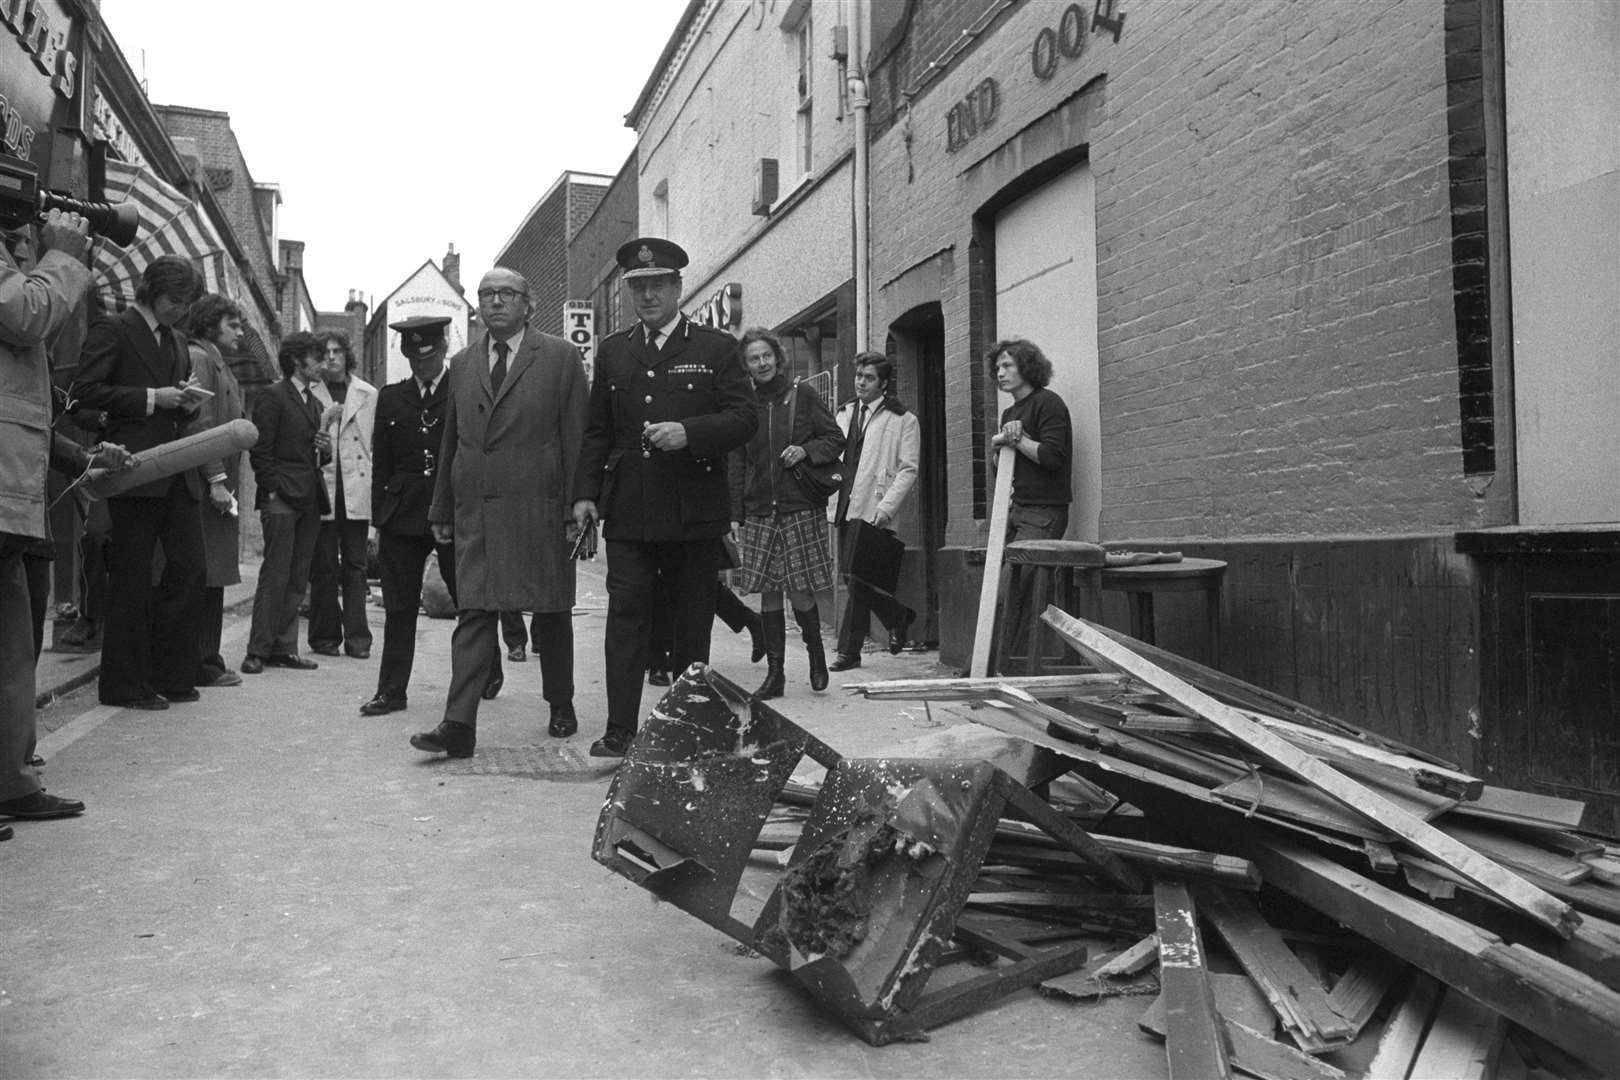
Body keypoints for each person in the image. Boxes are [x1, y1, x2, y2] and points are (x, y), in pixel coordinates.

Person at [571, 237, 757, 758]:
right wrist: (585, 495)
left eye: (657, 285)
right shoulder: (613, 351)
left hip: (693, 509)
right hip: (629, 508)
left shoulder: (715, 348)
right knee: (626, 615)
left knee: (690, 621)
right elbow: (597, 433)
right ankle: (619, 729)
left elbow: (745, 419)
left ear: (678, 288)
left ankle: (685, 730)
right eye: (638, 287)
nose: (648, 295)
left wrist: (690, 432)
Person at [409, 269, 587, 758]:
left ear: (528, 304)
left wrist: (578, 504)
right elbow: (453, 438)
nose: (494, 303)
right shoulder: (463, 363)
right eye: (486, 296)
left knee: (550, 610)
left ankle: (560, 702)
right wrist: (441, 506)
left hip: (540, 506)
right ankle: (458, 725)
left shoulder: (559, 356)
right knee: (474, 614)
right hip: (478, 510)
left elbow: (576, 435)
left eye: (505, 294)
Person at [74, 254, 208, 710]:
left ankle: (172, 674)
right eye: (175, 300)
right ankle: (124, 686)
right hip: (131, 470)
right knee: (131, 579)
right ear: (151, 289)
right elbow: (83, 396)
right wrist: (153, 398)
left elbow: (173, 400)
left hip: (175, 471)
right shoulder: (114, 329)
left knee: (190, 569)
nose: (180, 309)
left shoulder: (177, 340)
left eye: (187, 302)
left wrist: (184, 403)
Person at [0, 208, 96, 827]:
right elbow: (25, 316)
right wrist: (62, 257)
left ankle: (10, 780)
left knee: (13, 648)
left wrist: (77, 455)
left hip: (15, 490)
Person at [362, 316, 501, 716]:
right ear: (406, 356)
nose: (423, 365)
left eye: (430, 356)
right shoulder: (391, 397)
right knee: (399, 605)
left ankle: (487, 671)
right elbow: (382, 465)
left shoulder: (463, 391)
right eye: (415, 358)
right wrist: (378, 520)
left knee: (469, 597)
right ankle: (391, 691)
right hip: (401, 514)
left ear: (443, 351)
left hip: (453, 511)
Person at [730, 327, 844, 700]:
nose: (761, 363)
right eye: (753, 358)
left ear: (777, 358)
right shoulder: (743, 405)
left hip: (798, 508)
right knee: (767, 593)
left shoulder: (803, 395)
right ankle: (775, 675)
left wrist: (805, 451)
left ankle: (816, 657)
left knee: (799, 591)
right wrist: (735, 511)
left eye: (766, 356)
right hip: (760, 510)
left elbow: (835, 440)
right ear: (745, 365)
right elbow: (737, 462)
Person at [240, 331, 330, 674]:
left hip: (308, 496)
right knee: (275, 574)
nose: (323, 365)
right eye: (316, 358)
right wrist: (272, 490)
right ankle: (257, 650)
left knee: (297, 575)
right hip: (281, 497)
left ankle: (285, 647)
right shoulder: (272, 396)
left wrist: (325, 448)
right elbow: (260, 450)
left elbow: (321, 457)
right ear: (297, 360)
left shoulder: (316, 405)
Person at [828, 351, 920, 671]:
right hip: (844, 503)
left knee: (858, 580)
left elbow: (909, 469)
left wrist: (887, 507)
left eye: (868, 378)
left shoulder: (903, 419)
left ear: (883, 383)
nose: (861, 382)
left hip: (874, 506)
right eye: (859, 376)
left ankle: (849, 652)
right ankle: (898, 616)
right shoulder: (844, 413)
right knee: (854, 578)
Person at [182, 293, 249, 688]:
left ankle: (209, 657)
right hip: (208, 488)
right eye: (233, 325)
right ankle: (200, 661)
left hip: (218, 487)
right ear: (211, 325)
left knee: (213, 576)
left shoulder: (217, 362)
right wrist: (216, 480)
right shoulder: (201, 359)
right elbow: (201, 424)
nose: (240, 332)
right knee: (204, 574)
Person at [307, 330, 376, 659]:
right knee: (322, 567)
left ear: (347, 355)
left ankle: (358, 639)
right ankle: (324, 637)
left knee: (356, 566)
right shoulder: (309, 392)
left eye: (337, 351)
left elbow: (373, 443)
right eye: (325, 352)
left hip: (356, 489)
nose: (331, 357)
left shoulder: (368, 393)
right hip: (324, 489)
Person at [989, 338, 1073, 541]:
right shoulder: (1009, 414)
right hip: (1016, 508)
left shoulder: (1048, 402)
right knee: (994, 571)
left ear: (1027, 367)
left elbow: (1053, 457)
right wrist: (998, 449)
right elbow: (1001, 470)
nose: (1000, 373)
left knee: (1019, 573)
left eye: (1007, 366)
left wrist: (1018, 440)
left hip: (1044, 511)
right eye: (998, 368)